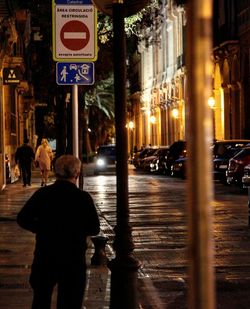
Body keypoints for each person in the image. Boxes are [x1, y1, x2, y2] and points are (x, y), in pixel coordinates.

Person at [16, 154, 100, 309]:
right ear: (76, 173)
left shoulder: (43, 194)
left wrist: (41, 228)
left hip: (45, 255)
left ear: (56, 172)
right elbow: (95, 227)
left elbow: (22, 218)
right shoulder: (82, 198)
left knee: (41, 299)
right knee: (70, 301)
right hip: (73, 259)